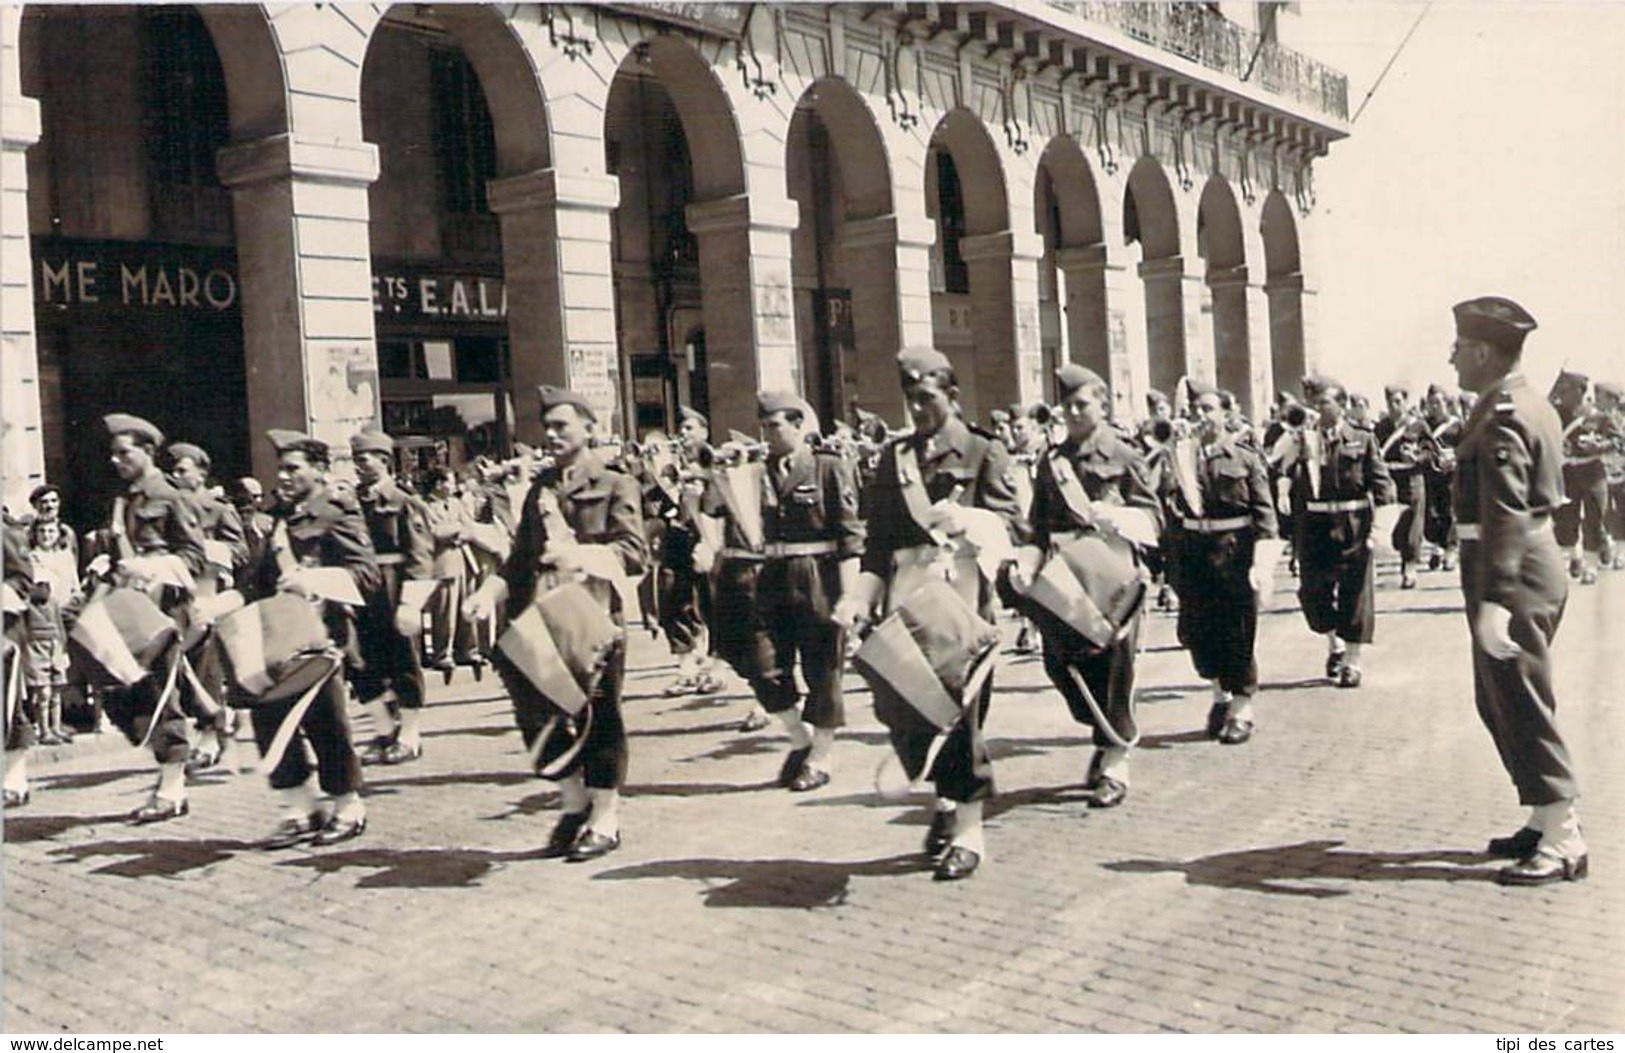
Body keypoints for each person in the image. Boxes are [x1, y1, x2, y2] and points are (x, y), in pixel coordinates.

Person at [834, 348, 1027, 882]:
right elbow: (878, 544)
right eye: (911, 399)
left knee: (958, 715)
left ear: (953, 397)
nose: (918, 410)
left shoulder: (984, 451)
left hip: (960, 598)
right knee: (903, 710)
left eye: (928, 399)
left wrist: (970, 521)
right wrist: (858, 597)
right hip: (906, 596)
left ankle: (968, 831)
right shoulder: (893, 459)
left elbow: (1013, 527)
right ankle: (948, 799)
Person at [465, 386, 647, 862]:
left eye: (561, 426)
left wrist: (581, 554)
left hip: (592, 616)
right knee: (535, 714)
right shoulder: (541, 487)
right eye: (546, 427)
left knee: (600, 715)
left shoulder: (615, 483)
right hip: (540, 616)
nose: (550, 435)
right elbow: (521, 559)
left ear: (589, 428)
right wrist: (489, 591)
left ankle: (605, 815)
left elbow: (633, 552)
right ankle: (572, 800)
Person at [1446, 296, 1585, 886]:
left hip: (1512, 569)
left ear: (1482, 351)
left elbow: (1504, 511)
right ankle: (1542, 815)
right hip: (1523, 561)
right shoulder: (1526, 403)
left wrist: (1496, 599)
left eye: (1458, 350)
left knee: (1521, 699)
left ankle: (1564, 836)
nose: (1451, 359)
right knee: (1502, 697)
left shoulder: (1504, 414)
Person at [705, 392, 864, 792]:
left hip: (817, 576)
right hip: (769, 577)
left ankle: (822, 756)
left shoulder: (827, 467)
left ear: (798, 425)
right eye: (764, 426)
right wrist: (723, 474)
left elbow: (849, 536)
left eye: (775, 425)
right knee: (763, 666)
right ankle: (800, 739)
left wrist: (850, 596)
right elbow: (716, 513)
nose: (768, 434)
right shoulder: (753, 472)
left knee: (823, 669)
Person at [1020, 364, 1161, 805]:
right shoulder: (1052, 461)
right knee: (1061, 664)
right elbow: (1038, 525)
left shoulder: (1124, 453)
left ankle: (1116, 757)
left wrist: (1122, 518)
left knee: (1113, 665)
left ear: (1102, 403)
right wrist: (1029, 564)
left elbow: (1155, 516)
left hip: (1111, 569)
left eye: (1083, 403)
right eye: (1068, 405)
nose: (1075, 411)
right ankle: (1102, 735)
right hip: (1065, 574)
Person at [250, 430, 381, 848]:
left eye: (293, 468)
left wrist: (313, 579)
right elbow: (257, 581)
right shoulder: (279, 519)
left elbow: (367, 573)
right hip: (278, 636)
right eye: (280, 469)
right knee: (268, 717)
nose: (283, 476)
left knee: (326, 721)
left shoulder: (338, 511)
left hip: (322, 635)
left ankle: (348, 806)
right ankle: (301, 807)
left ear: (320, 469)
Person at [94, 414, 209, 824]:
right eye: (113, 453)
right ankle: (204, 727)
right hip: (129, 605)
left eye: (123, 452)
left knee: (161, 693)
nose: (115, 460)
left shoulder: (170, 495)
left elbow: (195, 557)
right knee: (127, 695)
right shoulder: (129, 498)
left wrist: (151, 568)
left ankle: (172, 789)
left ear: (147, 451)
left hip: (160, 608)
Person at [1168, 384, 1278, 744]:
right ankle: (1220, 696)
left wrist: (1262, 562)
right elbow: (1168, 508)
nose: (1201, 416)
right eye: (1195, 409)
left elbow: (1264, 512)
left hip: (1233, 554)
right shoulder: (1180, 455)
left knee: (1237, 631)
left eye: (1208, 409)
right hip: (1194, 554)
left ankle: (1242, 707)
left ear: (1226, 414)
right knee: (1198, 631)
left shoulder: (1244, 457)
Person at [1279, 377, 1396, 687]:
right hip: (1314, 527)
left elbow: (1381, 483)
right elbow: (1278, 470)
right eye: (1313, 404)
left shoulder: (1362, 438)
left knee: (1355, 594)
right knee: (1312, 593)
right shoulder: (1300, 439)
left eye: (1323, 403)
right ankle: (1335, 643)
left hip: (1352, 526)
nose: (1316, 410)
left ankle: (1352, 661)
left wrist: (1381, 529)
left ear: (1341, 406)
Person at [350, 429, 435, 766]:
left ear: (384, 460)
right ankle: (384, 730)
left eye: (365, 457)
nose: (358, 464)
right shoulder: (351, 502)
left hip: (393, 586)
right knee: (360, 659)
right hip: (361, 589)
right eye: (355, 458)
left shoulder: (404, 501)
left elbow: (420, 556)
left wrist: (411, 602)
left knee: (403, 660)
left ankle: (410, 735)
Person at [165, 441, 249, 772]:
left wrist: (204, 549)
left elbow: (240, 550)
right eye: (173, 470)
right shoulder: (169, 506)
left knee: (204, 662)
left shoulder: (217, 507)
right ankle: (216, 719)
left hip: (207, 590)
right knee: (181, 662)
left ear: (201, 473)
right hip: (175, 591)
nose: (177, 475)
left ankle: (209, 734)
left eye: (183, 469)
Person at [657, 407, 723, 698]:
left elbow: (721, 500)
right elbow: (656, 502)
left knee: (712, 602)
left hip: (706, 537)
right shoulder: (670, 462)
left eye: (689, 429)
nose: (683, 434)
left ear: (704, 432)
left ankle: (717, 667)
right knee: (672, 598)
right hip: (678, 537)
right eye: (681, 429)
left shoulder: (715, 461)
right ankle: (685, 668)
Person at [1549, 370, 1617, 585]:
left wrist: (1600, 446)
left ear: (1579, 391)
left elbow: (1617, 441)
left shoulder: (1598, 416)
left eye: (1567, 390)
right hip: (1567, 472)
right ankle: (1575, 556)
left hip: (1592, 472)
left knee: (1594, 518)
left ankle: (1590, 566)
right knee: (1565, 520)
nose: (1563, 394)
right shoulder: (1556, 413)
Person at [1372, 385, 1429, 589]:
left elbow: (1431, 452)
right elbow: (1374, 453)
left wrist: (1417, 457)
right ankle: (1402, 553)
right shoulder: (1381, 428)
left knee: (1413, 523)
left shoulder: (1418, 426)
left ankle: (1410, 566)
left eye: (1398, 401)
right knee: (1396, 526)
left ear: (1405, 402)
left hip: (1412, 478)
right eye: (1390, 402)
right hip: (1390, 479)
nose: (1394, 406)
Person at [1419, 383, 1464, 572]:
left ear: (1446, 403)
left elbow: (1468, 446)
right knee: (1431, 512)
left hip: (1452, 474)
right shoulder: (1423, 425)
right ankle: (1437, 546)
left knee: (1451, 510)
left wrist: (1454, 455)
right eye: (1431, 403)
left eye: (1438, 402)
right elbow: (1419, 446)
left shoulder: (1457, 424)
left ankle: (1451, 549)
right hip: (1430, 474)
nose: (1435, 406)